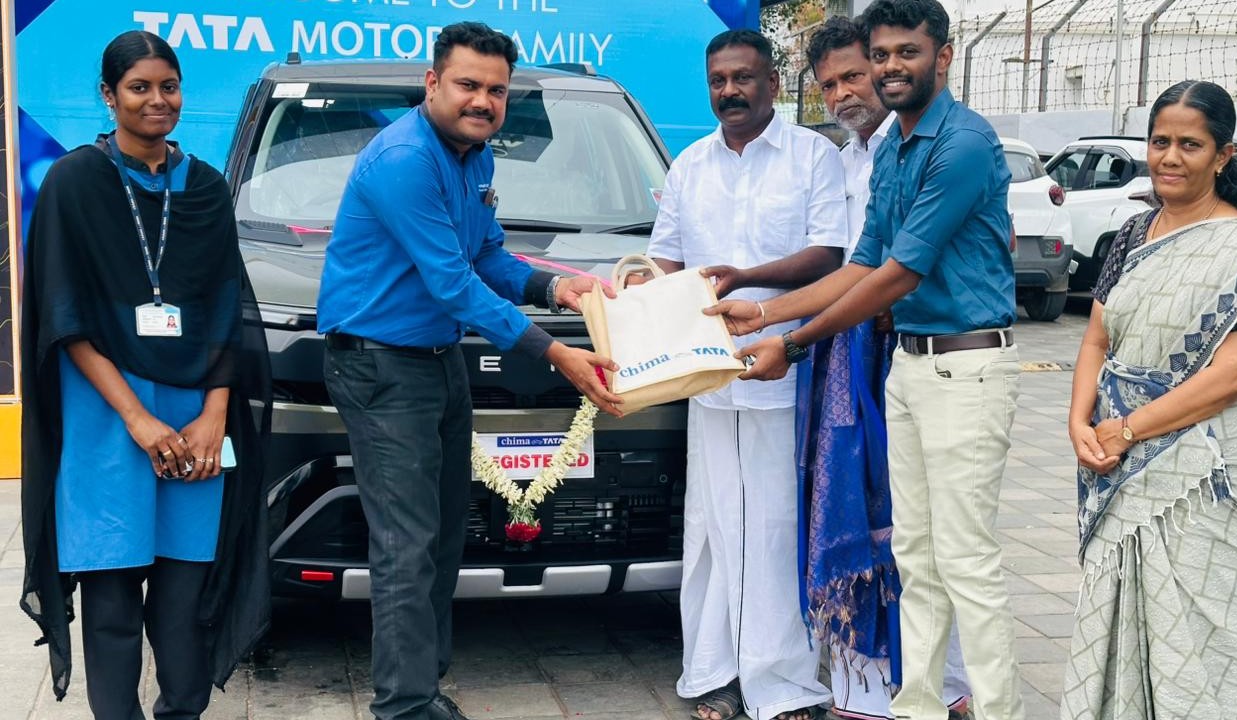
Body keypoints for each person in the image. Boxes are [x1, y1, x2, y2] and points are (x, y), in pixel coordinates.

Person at [707, 1, 1026, 718]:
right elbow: (861, 264)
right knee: (915, 556)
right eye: (879, 55)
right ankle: (916, 707)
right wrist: (763, 312)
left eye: (905, 53)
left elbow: (898, 274)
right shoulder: (894, 149)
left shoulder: (963, 144)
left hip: (967, 369)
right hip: (911, 367)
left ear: (944, 57)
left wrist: (792, 345)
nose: (888, 69)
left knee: (966, 562)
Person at [315, 21, 622, 720]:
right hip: (380, 368)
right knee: (407, 544)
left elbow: (487, 256)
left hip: (436, 360)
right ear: (432, 83)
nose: (483, 101)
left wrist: (557, 287)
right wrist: (556, 353)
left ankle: (423, 688)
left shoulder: (474, 156)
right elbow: (452, 282)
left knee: (443, 535)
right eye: (468, 85)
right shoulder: (405, 160)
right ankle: (404, 705)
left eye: (497, 90)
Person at [20, 30, 272, 719]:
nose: (157, 100)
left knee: (186, 599)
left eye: (169, 86)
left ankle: (182, 712)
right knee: (111, 601)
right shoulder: (75, 183)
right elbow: (63, 316)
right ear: (109, 96)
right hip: (105, 415)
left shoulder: (207, 189)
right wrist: (137, 419)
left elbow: (225, 309)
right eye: (139, 87)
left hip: (196, 414)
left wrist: (214, 415)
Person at [1061, 80, 1237, 720]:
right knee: (1117, 632)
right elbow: (1096, 337)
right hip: (1120, 464)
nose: (1171, 158)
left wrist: (1128, 428)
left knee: (1203, 656)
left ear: (1223, 155)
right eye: (1161, 142)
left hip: (1209, 480)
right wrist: (1078, 422)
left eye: (1191, 144)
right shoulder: (1134, 233)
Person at [642, 28, 845, 720]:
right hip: (706, 381)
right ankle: (714, 674)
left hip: (783, 373)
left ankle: (782, 684)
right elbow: (666, 259)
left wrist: (747, 278)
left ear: (773, 83)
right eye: (718, 81)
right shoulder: (690, 165)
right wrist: (638, 294)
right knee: (711, 527)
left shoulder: (814, 156)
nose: (729, 91)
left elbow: (831, 255)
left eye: (743, 78)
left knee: (776, 529)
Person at [798, 15, 971, 720]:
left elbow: (908, 268)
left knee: (918, 529)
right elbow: (847, 265)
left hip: (914, 356)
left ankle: (943, 688)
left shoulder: (934, 149)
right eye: (829, 84)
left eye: (854, 75)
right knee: (853, 509)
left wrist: (797, 330)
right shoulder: (840, 161)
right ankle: (865, 691)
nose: (844, 92)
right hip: (847, 356)